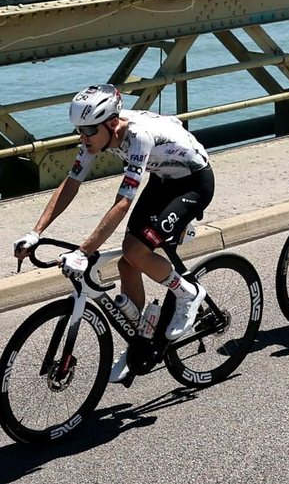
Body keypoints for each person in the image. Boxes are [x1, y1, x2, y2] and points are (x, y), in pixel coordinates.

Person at [13, 86, 212, 383]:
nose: (82, 137)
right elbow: (70, 183)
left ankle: (188, 293)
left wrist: (83, 252)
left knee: (134, 250)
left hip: (193, 183)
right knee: (126, 265)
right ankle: (140, 341)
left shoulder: (138, 137)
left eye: (88, 131)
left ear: (111, 123)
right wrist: (35, 232)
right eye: (78, 130)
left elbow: (122, 203)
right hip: (163, 179)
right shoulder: (94, 137)